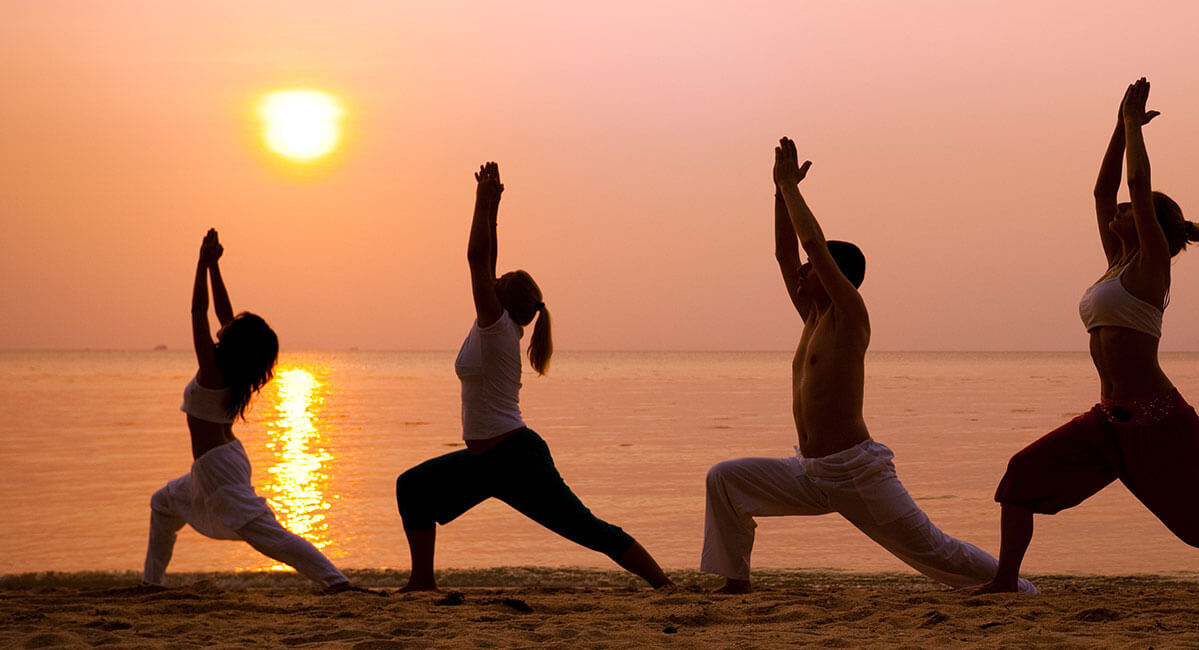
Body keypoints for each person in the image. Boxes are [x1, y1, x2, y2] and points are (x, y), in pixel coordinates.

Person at [974, 79, 1199, 595]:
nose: (1119, 208)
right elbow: (1103, 191)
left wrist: (1134, 128)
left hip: (1160, 422)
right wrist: (1117, 127)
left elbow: (1138, 189)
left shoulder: (1151, 265)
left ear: (1152, 227)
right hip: (1107, 422)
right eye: (1120, 210)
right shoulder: (1113, 263)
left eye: (1130, 210)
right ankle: (1006, 580)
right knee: (1022, 476)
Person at [700, 138, 1030, 594]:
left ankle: (1016, 587)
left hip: (855, 472)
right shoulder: (812, 318)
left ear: (835, 275)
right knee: (726, 479)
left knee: (934, 550)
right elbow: (785, 254)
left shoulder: (849, 317)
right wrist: (779, 193)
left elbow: (811, 244)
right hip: (811, 471)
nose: (801, 272)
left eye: (812, 268)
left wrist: (791, 188)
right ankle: (737, 582)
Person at [394, 162, 672, 592]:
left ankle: (664, 584)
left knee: (586, 528)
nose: (493, 279)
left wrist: (480, 200)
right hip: (486, 461)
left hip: (515, 460)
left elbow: (477, 258)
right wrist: (495, 206)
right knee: (413, 488)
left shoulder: (496, 328)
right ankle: (422, 582)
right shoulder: (498, 325)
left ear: (504, 299)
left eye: (498, 282)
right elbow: (488, 261)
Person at [144, 228, 362, 593]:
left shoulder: (213, 370)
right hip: (214, 463)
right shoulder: (231, 372)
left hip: (218, 467)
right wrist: (215, 266)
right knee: (163, 505)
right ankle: (151, 584)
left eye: (230, 331)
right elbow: (222, 315)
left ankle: (337, 581)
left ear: (235, 345)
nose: (222, 330)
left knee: (267, 534)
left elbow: (199, 311)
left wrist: (200, 262)